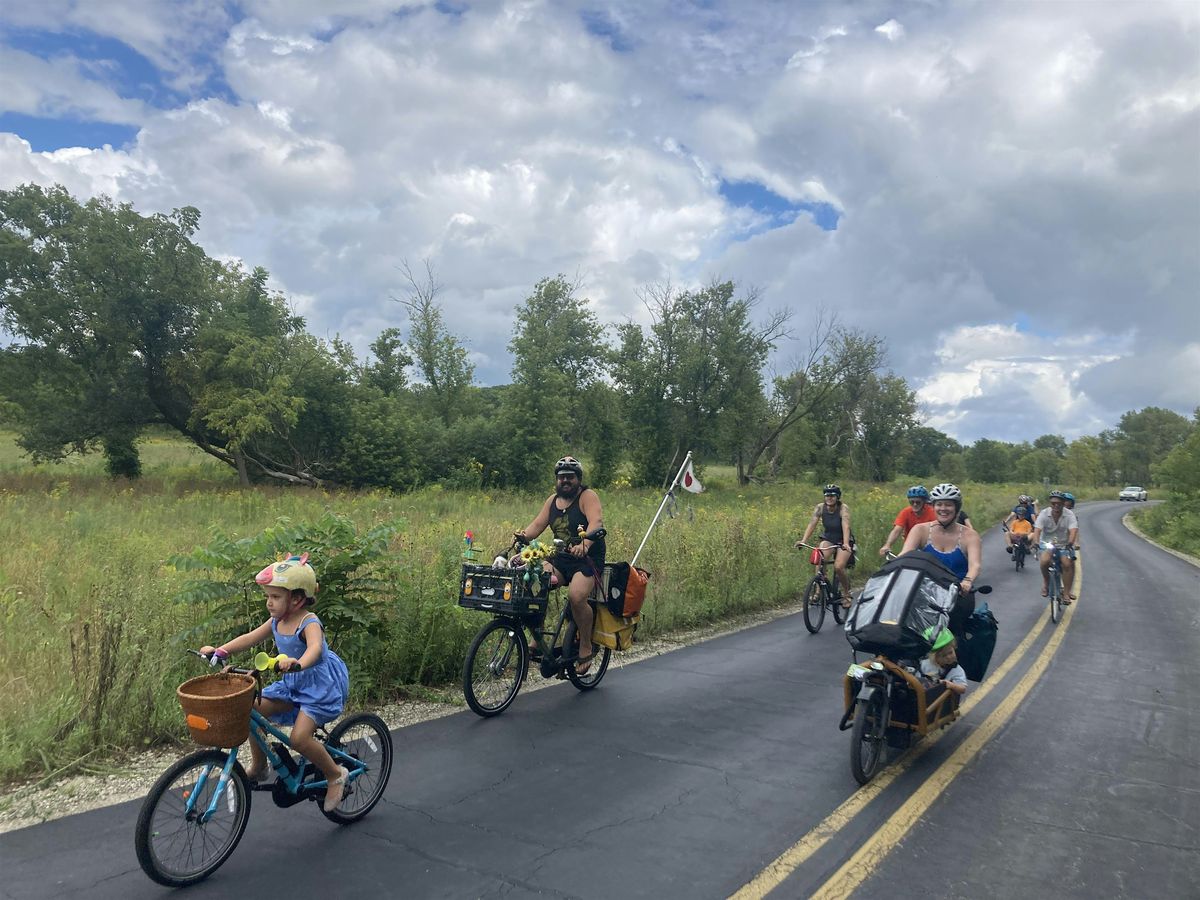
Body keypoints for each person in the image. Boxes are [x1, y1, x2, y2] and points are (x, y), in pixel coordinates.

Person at [201, 553, 351, 812]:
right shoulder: (276, 621)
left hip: (317, 688)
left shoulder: (309, 622)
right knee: (249, 709)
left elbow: (315, 648)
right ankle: (259, 766)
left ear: (297, 598)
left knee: (299, 740)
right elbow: (249, 637)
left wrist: (298, 663)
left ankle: (335, 774)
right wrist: (220, 651)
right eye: (268, 597)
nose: (269, 603)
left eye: (275, 597)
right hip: (292, 685)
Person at [515, 456, 605, 674]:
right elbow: (537, 525)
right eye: (561, 477)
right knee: (535, 580)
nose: (565, 481)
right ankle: (538, 636)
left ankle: (585, 644)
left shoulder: (587, 496)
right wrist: (522, 537)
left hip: (587, 559)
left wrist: (585, 543)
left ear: (578, 479)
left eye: (570, 477)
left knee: (576, 597)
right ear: (556, 480)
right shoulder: (552, 501)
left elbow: (597, 522)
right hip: (562, 558)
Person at [900, 483, 982, 636]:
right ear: (933, 506)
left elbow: (975, 565)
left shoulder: (970, 535)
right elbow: (905, 555)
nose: (943, 509)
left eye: (948, 505)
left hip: (957, 595)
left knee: (951, 636)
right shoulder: (920, 530)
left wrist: (968, 581)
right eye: (939, 504)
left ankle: (955, 656)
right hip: (924, 593)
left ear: (957, 508)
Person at [797, 484, 855, 607]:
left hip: (843, 540)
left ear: (837, 497)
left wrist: (845, 543)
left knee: (838, 567)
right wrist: (803, 540)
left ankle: (846, 593)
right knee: (819, 559)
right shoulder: (820, 507)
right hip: (829, 538)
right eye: (827, 495)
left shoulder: (843, 508)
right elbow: (812, 523)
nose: (829, 498)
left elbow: (846, 525)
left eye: (832, 495)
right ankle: (818, 591)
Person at [1031, 490, 1079, 603]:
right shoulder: (1044, 513)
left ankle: (1066, 593)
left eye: (1059, 503)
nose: (1056, 505)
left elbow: (1073, 530)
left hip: (1063, 544)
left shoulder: (1069, 514)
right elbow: (1037, 530)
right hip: (1047, 543)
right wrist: (1036, 542)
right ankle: (1046, 582)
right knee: (1044, 561)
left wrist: (1071, 543)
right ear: (1050, 503)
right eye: (1053, 503)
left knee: (1067, 564)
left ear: (1063, 503)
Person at [879, 485, 936, 557]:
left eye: (918, 502)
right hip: (910, 547)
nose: (915, 504)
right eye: (912, 502)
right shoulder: (906, 512)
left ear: (924, 502)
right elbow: (897, 530)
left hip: (928, 547)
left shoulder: (932, 512)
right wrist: (887, 545)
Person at [921, 628, 968, 697]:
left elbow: (962, 689)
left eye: (951, 652)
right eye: (943, 655)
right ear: (933, 657)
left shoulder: (956, 670)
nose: (949, 657)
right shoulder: (925, 664)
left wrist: (951, 685)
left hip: (942, 702)